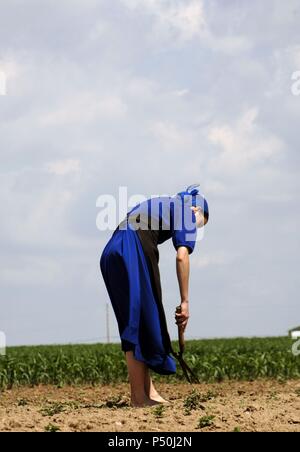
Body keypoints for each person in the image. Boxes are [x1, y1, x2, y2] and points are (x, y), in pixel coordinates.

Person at [100, 184, 209, 407]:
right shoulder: (187, 210)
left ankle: (148, 392)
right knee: (145, 319)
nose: (197, 229)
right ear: (197, 212)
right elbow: (181, 257)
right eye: (201, 224)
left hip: (112, 250)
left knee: (136, 321)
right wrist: (185, 301)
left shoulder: (164, 203)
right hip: (134, 247)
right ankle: (138, 397)